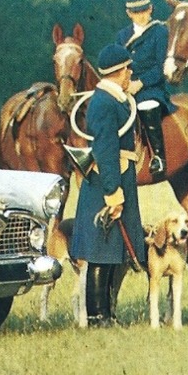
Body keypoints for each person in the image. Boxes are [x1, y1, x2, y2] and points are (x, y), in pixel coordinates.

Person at [67, 42, 146, 325]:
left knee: (114, 251)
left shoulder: (115, 98)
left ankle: (108, 314)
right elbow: (105, 149)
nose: (130, 74)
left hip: (118, 175)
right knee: (101, 252)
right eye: (128, 70)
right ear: (120, 70)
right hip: (107, 179)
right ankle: (97, 316)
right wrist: (113, 193)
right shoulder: (103, 102)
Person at [116, 0, 175, 181]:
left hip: (151, 88)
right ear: (128, 13)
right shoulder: (122, 36)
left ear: (151, 9)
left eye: (144, 11)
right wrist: (124, 83)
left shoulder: (159, 31)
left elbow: (160, 66)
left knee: (146, 105)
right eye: (135, 12)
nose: (140, 16)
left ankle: (158, 156)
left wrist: (140, 83)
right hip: (125, 87)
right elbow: (118, 65)